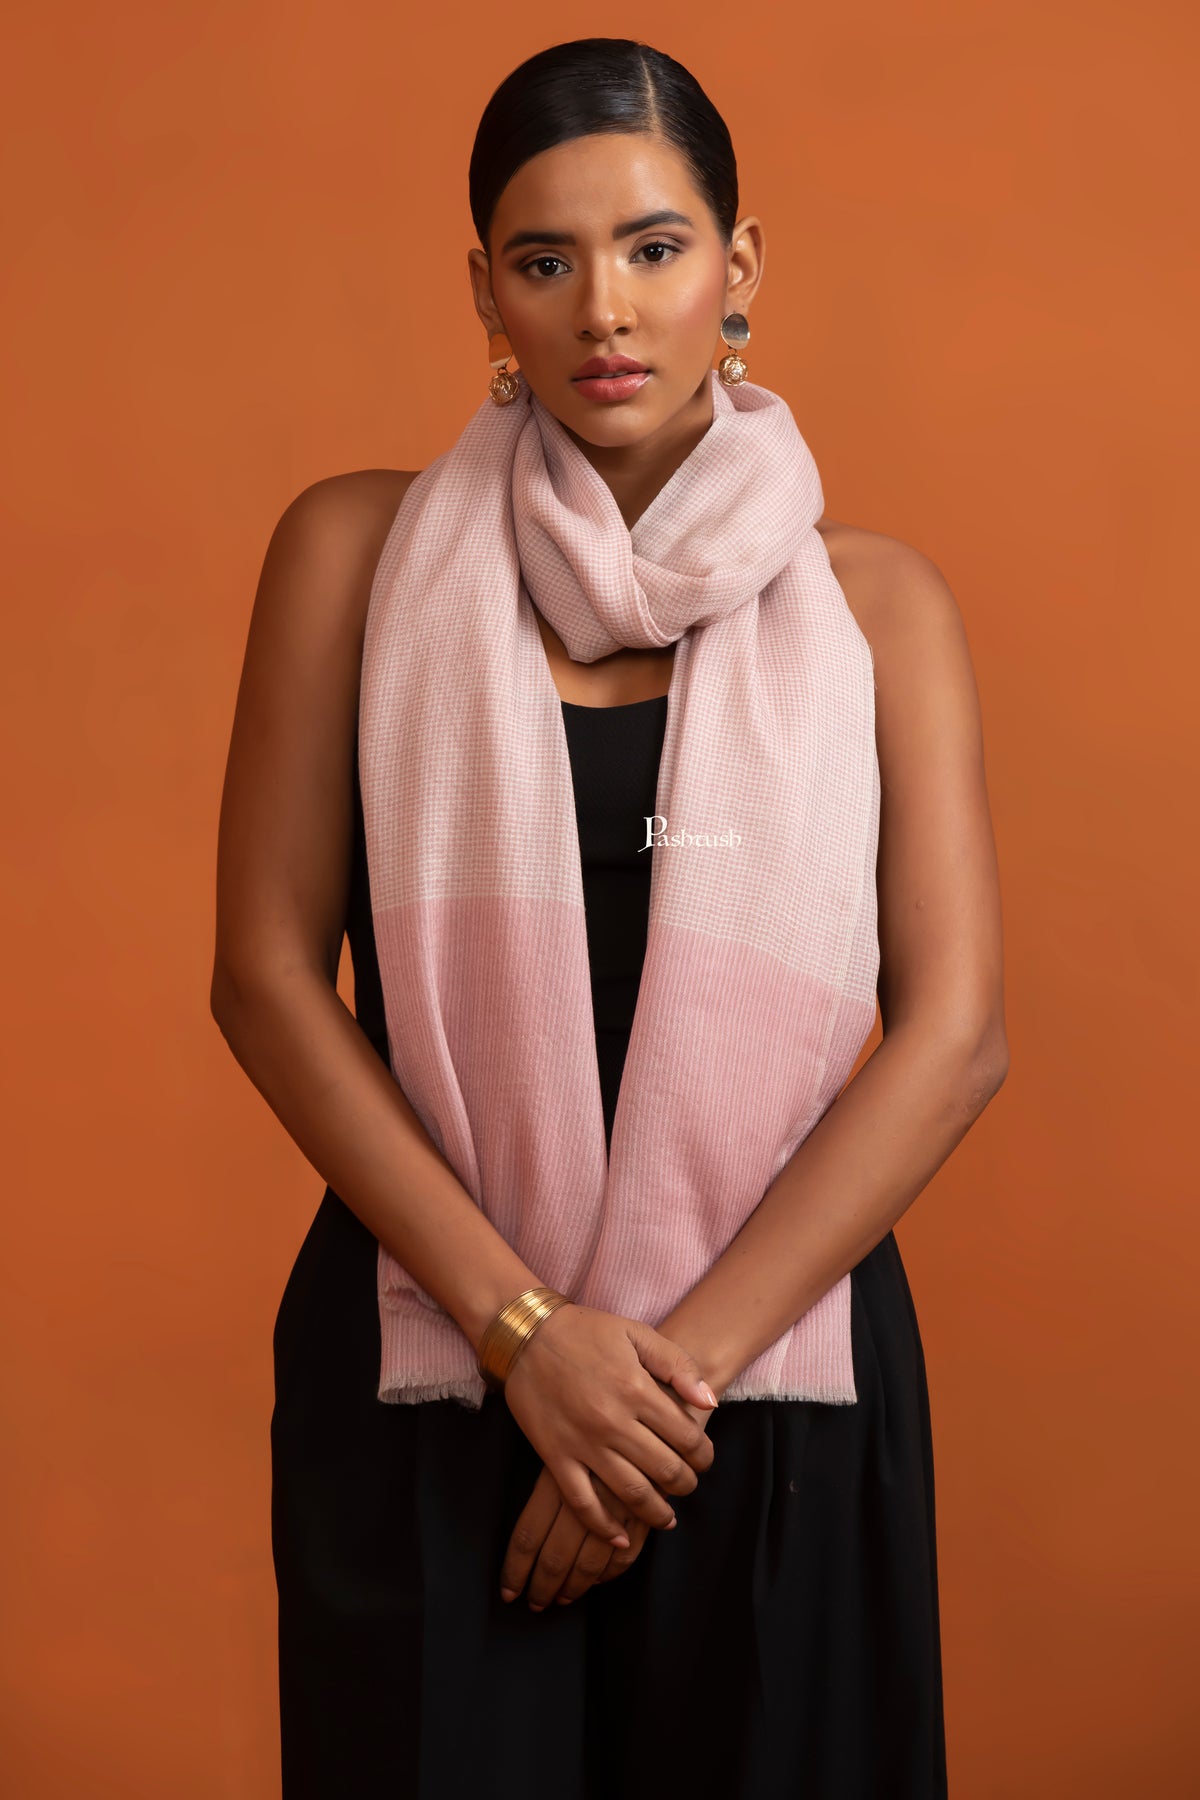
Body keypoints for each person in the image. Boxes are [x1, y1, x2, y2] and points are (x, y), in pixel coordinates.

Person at [211, 36, 1006, 1800]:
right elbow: (265, 978)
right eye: (544, 258)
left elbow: (955, 1037)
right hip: (434, 1356)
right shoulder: (356, 553)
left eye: (655, 247)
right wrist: (527, 1339)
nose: (605, 310)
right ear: (483, 291)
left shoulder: (878, 611)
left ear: (740, 265)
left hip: (767, 1376)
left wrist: (656, 1393)